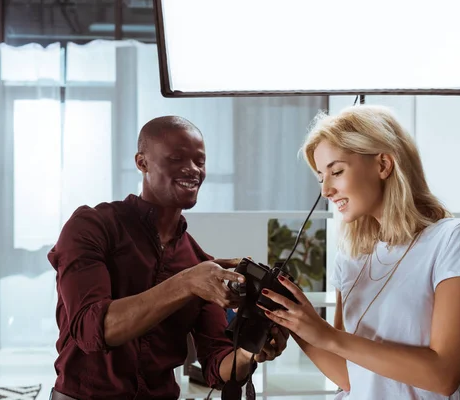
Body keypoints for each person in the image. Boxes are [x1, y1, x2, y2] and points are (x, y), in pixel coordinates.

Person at [47, 116, 288, 400]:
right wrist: (185, 283)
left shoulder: (198, 262)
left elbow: (217, 365)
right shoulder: (91, 227)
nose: (192, 170)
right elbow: (91, 330)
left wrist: (251, 349)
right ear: (142, 162)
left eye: (200, 161)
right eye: (176, 159)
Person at [257, 105, 460, 399]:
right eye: (320, 178)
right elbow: (348, 374)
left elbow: (444, 375)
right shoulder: (351, 257)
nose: (326, 190)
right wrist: (294, 323)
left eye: (336, 171)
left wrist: (328, 336)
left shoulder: (453, 240)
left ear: (383, 165)